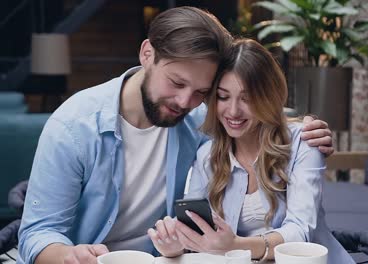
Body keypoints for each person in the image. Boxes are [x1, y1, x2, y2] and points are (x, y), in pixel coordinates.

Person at [18, 7, 334, 264]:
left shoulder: (195, 119)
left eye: (201, 92)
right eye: (176, 82)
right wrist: (69, 256)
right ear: (147, 54)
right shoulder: (73, 128)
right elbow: (38, 233)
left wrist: (305, 127)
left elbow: (251, 112)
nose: (185, 102)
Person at [148, 39, 353, 263]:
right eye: (223, 97)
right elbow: (195, 228)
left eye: (247, 98)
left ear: (268, 97)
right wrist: (176, 244)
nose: (233, 111)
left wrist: (236, 246)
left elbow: (301, 232)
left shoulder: (303, 142)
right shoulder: (207, 155)